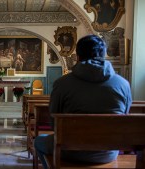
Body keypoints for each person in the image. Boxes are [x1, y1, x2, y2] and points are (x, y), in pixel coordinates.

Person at [34, 34, 132, 168]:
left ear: (78, 56)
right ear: (103, 55)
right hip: (107, 152)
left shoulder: (62, 83)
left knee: (38, 141)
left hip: (68, 150)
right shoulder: (123, 84)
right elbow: (124, 119)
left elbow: (54, 123)